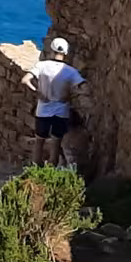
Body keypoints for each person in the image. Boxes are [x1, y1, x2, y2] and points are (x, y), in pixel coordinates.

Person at [24, 36, 85, 167]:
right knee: (56, 142)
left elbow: (25, 80)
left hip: (43, 108)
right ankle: (51, 172)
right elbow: (83, 88)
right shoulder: (70, 72)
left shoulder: (42, 66)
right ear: (66, 53)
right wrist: (70, 94)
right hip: (61, 109)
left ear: (51, 50)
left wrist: (38, 92)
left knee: (39, 140)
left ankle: (35, 169)